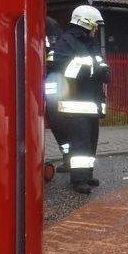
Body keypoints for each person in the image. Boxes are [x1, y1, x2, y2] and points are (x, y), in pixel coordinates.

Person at [51, 5, 109, 194]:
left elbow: (103, 68)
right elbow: (62, 67)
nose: (96, 30)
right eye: (95, 26)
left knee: (91, 140)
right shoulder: (66, 42)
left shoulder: (89, 44)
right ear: (86, 23)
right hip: (76, 104)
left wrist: (101, 71)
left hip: (91, 102)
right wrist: (94, 70)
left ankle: (87, 174)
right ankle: (78, 179)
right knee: (80, 141)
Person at [44, 16, 72, 173]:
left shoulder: (49, 24)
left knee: (56, 120)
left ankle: (69, 156)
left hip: (50, 80)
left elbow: (56, 56)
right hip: (36, 80)